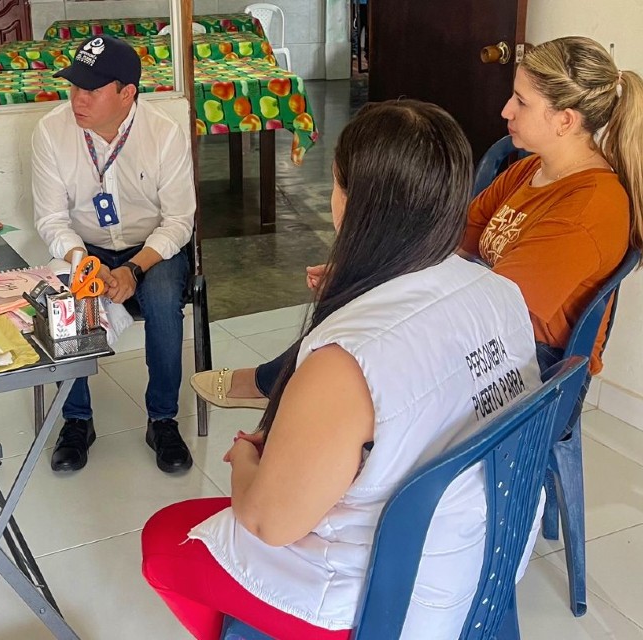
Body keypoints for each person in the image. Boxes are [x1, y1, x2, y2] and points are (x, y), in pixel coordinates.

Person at [142, 99, 543, 640]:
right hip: (487, 559)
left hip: (390, 604)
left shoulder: (346, 362)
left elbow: (270, 522)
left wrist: (242, 459)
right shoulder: (501, 292)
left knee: (164, 541)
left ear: (355, 204)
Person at [192, 35, 642, 409]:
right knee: (363, 297)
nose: (506, 110)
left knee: (368, 331)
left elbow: (497, 312)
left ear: (564, 120)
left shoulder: (590, 207)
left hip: (529, 365)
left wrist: (383, 285)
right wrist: (374, 275)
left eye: (521, 102)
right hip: (490, 330)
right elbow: (457, 237)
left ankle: (297, 401)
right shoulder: (533, 169)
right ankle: (288, 388)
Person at [32, 35, 195, 474]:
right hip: (84, 247)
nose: (77, 99)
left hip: (152, 248)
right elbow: (50, 219)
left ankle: (162, 418)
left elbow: (180, 220)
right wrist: (82, 260)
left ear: (127, 94)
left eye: (92, 90)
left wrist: (135, 270)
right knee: (70, 297)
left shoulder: (163, 133)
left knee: (162, 299)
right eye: (74, 87)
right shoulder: (51, 131)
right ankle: (76, 421)